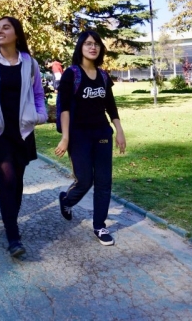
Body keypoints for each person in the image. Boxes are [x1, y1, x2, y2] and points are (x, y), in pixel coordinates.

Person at [0, 16, 47, 257]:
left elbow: (38, 94)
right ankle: (13, 236)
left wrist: (41, 115)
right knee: (8, 180)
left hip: (23, 130)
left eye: (6, 27)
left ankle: (10, 222)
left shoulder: (30, 63)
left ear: (17, 33)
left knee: (19, 180)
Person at [54, 30, 126, 246]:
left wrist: (119, 129)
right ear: (80, 47)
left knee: (104, 181)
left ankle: (100, 226)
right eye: (87, 44)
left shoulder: (103, 76)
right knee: (85, 180)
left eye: (96, 44)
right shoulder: (71, 74)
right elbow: (64, 109)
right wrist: (65, 138)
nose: (92, 47)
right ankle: (66, 200)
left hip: (102, 133)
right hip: (79, 135)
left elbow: (110, 105)